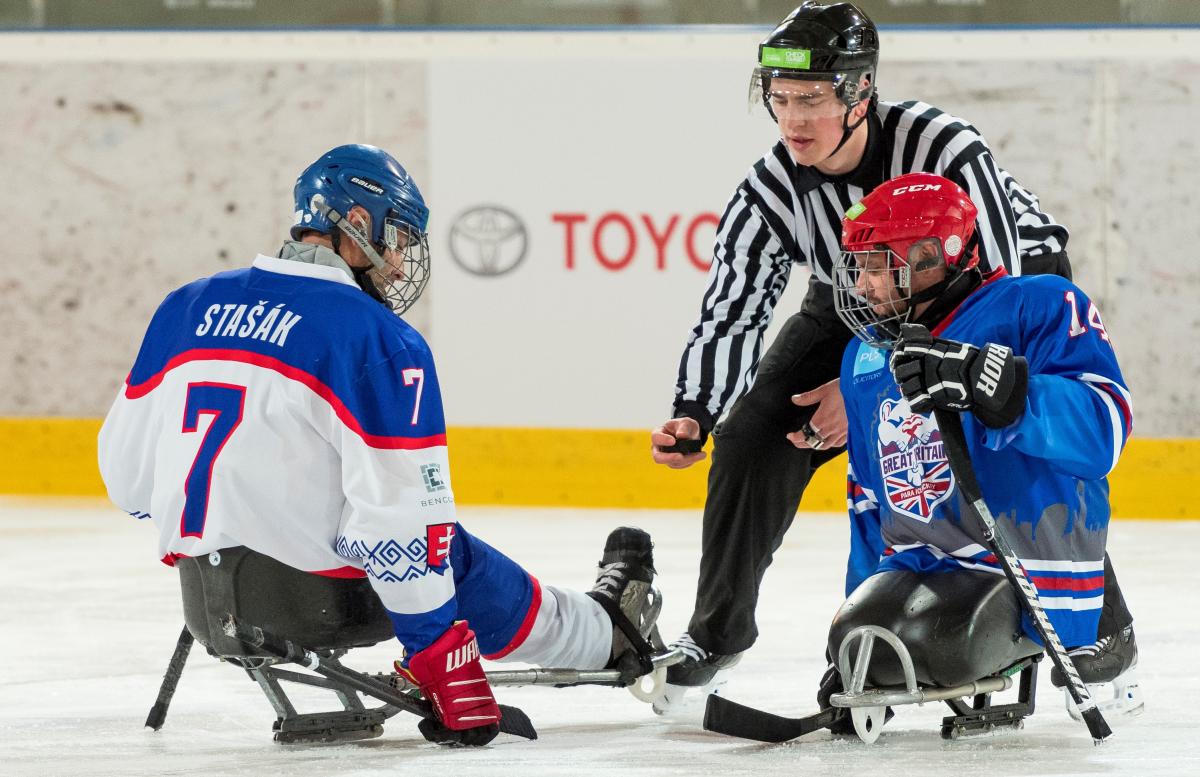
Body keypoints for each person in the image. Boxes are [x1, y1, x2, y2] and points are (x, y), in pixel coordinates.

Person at [649, 0, 1135, 708]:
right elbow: (735, 303)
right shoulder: (771, 187)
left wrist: (870, 389)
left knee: (1015, 436)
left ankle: (1097, 626)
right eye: (780, 100)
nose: (793, 121)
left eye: (811, 100)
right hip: (860, 299)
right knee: (753, 434)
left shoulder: (943, 146)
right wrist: (695, 408)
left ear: (859, 95)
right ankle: (717, 633)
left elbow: (988, 296)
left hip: (997, 284)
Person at [98, 144, 660, 747]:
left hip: (208, 598)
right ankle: (604, 632)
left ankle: (596, 624)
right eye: (396, 240)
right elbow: (406, 531)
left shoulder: (184, 305)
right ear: (357, 224)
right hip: (322, 598)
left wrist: (222, 524)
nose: (397, 265)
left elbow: (125, 475)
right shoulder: (377, 338)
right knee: (450, 549)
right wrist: (445, 664)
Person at [826, 171, 1136, 713]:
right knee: (858, 634)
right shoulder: (864, 356)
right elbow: (869, 497)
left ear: (933, 256)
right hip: (922, 563)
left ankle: (1101, 632)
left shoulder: (1036, 303)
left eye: (880, 264)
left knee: (941, 641)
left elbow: (1104, 428)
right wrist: (858, 618)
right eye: (861, 266)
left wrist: (1005, 390)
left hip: (1023, 558)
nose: (865, 284)